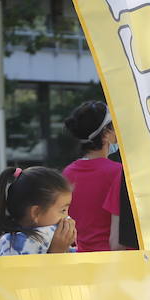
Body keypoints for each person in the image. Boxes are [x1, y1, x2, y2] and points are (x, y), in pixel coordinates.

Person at [61, 100, 122, 253]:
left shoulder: (67, 173)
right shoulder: (118, 172)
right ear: (106, 134)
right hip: (113, 262)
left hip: (79, 260)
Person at [0, 166, 76, 256]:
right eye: (63, 210)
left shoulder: (50, 239)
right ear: (36, 213)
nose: (67, 218)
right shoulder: (11, 245)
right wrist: (56, 252)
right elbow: (24, 271)